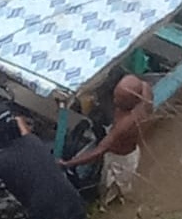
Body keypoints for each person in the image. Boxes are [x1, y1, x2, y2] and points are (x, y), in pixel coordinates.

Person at [60, 74, 153, 204]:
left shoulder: (124, 126)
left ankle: (110, 206)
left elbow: (98, 151)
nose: (114, 101)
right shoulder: (145, 93)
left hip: (120, 159)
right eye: (115, 96)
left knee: (111, 189)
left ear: (131, 101)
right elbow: (142, 84)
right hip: (130, 148)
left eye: (119, 99)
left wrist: (69, 163)